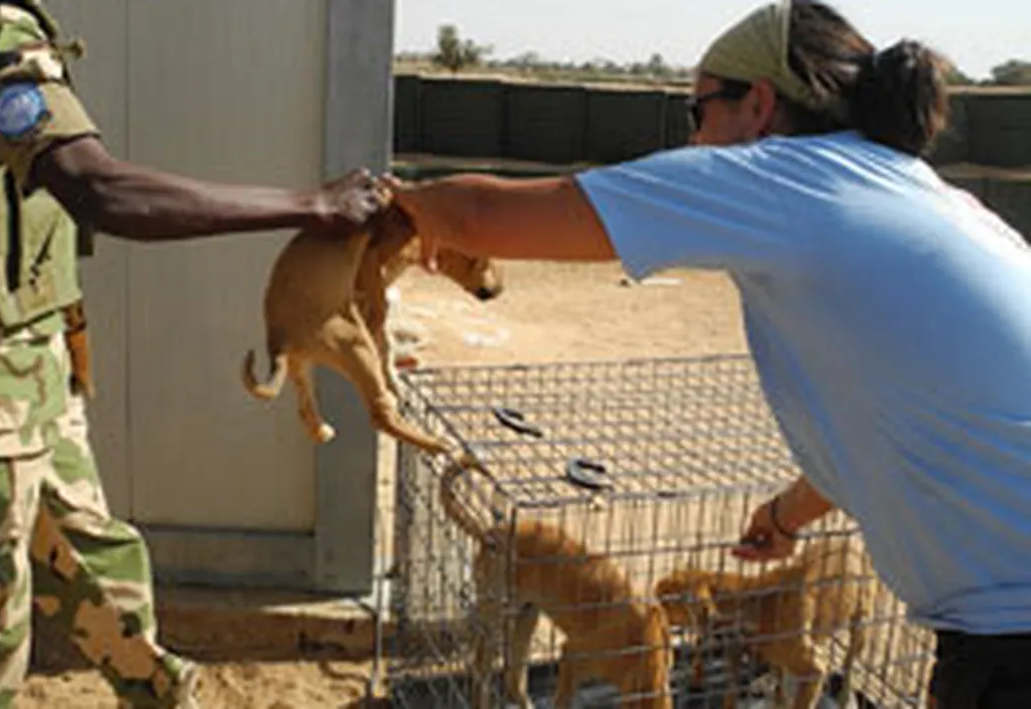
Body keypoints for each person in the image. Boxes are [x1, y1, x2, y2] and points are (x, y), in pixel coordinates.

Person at [388, 1, 1031, 706]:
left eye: (697, 113)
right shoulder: (934, 198)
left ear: (757, 104)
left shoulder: (782, 175)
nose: (694, 142)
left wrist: (389, 202)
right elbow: (913, 424)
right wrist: (787, 516)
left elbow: (489, 218)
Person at [0, 1, 384, 707]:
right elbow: (99, 188)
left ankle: (160, 692)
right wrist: (311, 205)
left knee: (93, 560)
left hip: (10, 370)